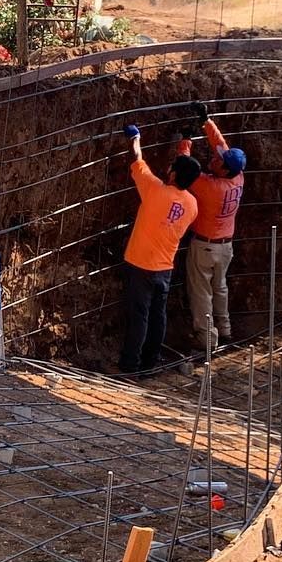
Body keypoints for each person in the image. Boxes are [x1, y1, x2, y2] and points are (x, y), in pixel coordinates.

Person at [119, 123, 200, 376]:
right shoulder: (192, 204)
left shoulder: (155, 190)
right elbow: (184, 170)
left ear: (174, 175)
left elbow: (137, 158)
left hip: (140, 263)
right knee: (157, 316)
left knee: (139, 316)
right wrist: (186, 142)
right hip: (164, 267)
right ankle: (150, 363)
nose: (168, 168)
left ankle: (130, 365)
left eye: (172, 167)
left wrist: (135, 137)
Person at [176, 102, 248, 352]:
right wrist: (207, 121)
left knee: (201, 292)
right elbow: (221, 146)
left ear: (225, 168)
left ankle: (207, 339)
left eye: (220, 160)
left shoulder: (209, 186)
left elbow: (184, 167)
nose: (216, 159)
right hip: (225, 247)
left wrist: (186, 140)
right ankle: (225, 330)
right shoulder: (237, 176)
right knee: (220, 287)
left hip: (204, 246)